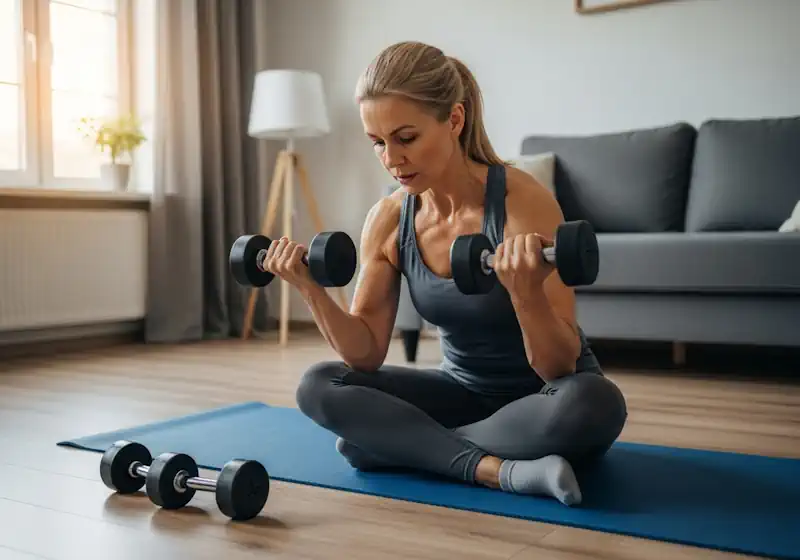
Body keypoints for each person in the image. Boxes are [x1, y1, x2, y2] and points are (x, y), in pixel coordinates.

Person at [261, 41, 627, 506]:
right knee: (319, 384)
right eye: (378, 142)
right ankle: (496, 470)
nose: (392, 158)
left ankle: (401, 446)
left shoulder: (521, 200)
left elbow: (558, 366)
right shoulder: (389, 219)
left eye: (406, 137)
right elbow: (366, 353)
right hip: (461, 391)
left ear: (454, 120)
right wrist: (308, 288)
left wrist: (525, 294)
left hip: (546, 398)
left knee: (596, 404)